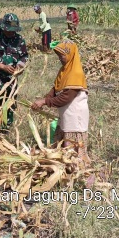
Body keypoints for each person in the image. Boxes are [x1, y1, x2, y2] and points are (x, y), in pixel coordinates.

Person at [31, 30, 90, 165]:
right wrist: (44, 100)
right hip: (67, 114)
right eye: (58, 56)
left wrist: (45, 101)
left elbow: (66, 98)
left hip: (75, 115)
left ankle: (77, 167)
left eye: (62, 55)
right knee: (65, 143)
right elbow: (56, 88)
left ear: (70, 55)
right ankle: (65, 164)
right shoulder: (65, 70)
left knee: (73, 146)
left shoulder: (75, 72)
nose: (60, 58)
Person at [0, 13, 29, 133]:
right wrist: (1, 66)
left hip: (11, 79)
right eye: (9, 31)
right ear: (3, 27)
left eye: (14, 31)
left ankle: (5, 129)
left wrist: (20, 66)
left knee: (9, 104)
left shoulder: (19, 40)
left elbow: (24, 57)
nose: (11, 33)